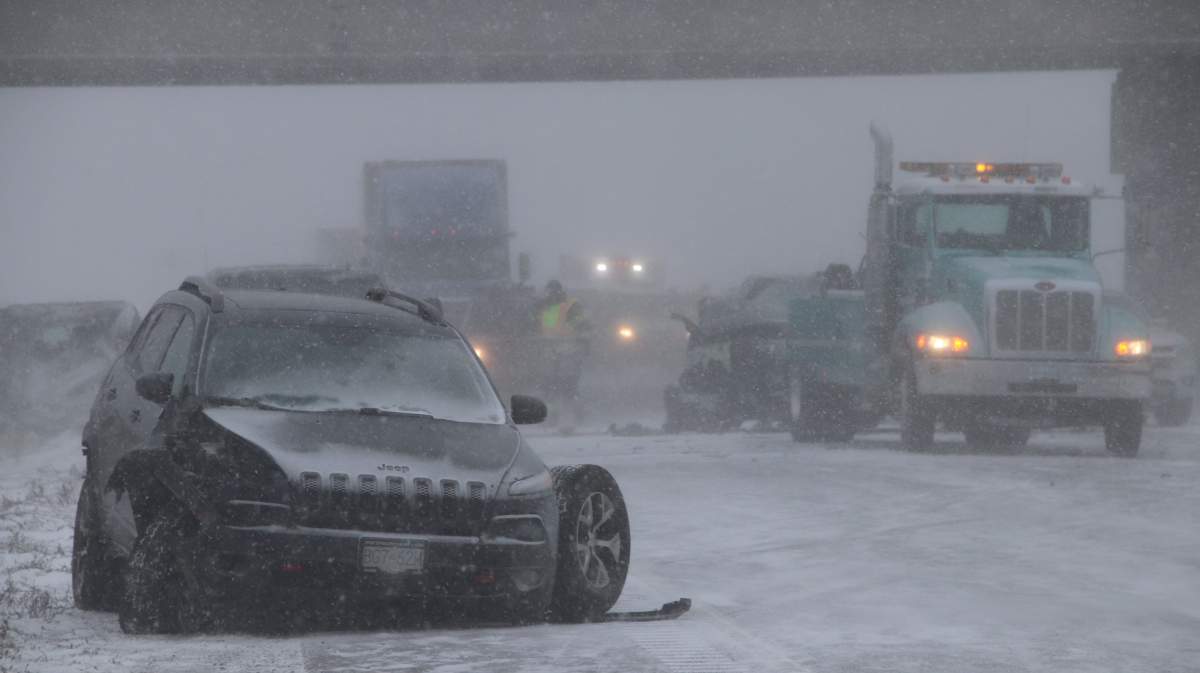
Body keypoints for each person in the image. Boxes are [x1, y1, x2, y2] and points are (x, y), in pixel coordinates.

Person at [534, 280, 589, 427]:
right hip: (551, 349)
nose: (551, 294)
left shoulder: (571, 306)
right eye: (549, 291)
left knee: (567, 383)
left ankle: (568, 415)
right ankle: (554, 414)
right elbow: (539, 327)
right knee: (550, 382)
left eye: (553, 291)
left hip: (568, 348)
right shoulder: (543, 306)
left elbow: (583, 326)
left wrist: (583, 342)